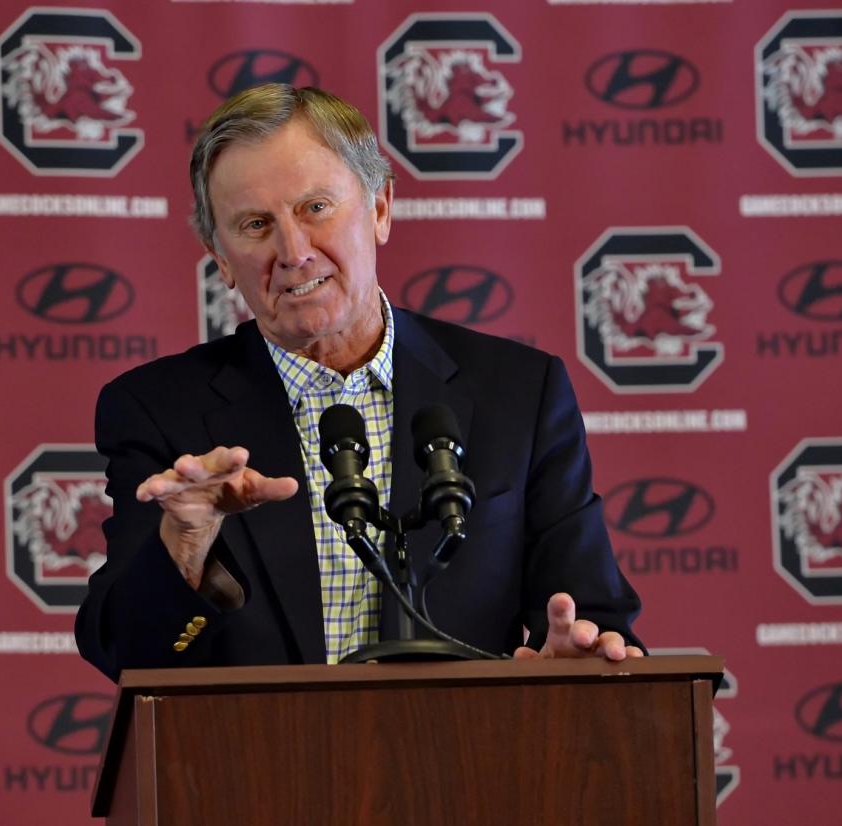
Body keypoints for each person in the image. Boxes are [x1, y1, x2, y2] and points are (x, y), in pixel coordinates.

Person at [75, 84, 642, 682]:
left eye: (316, 207)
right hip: (255, 770)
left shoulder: (520, 393)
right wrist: (184, 543)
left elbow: (598, 622)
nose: (293, 252)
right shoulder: (160, 411)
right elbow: (123, 651)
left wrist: (580, 666)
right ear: (220, 259)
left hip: (471, 764)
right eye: (255, 224)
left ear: (380, 209)